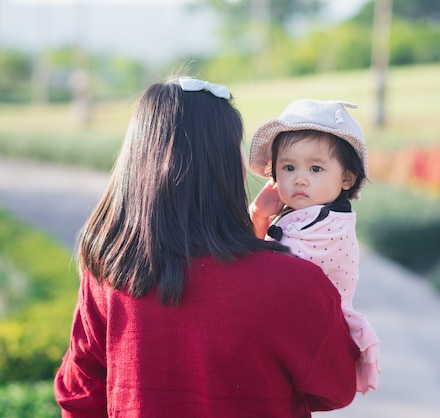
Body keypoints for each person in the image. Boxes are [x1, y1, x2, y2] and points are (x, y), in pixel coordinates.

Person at [54, 77, 360, 417]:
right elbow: (338, 389)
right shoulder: (295, 282)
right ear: (229, 168)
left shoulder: (108, 272)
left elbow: (79, 396)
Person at [248, 99, 380, 394]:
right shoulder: (303, 215)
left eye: (316, 168)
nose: (300, 179)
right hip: (294, 327)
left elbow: (268, 271)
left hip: (316, 335)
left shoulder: (331, 225)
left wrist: (257, 220)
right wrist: (259, 215)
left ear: (346, 177)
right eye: (289, 167)